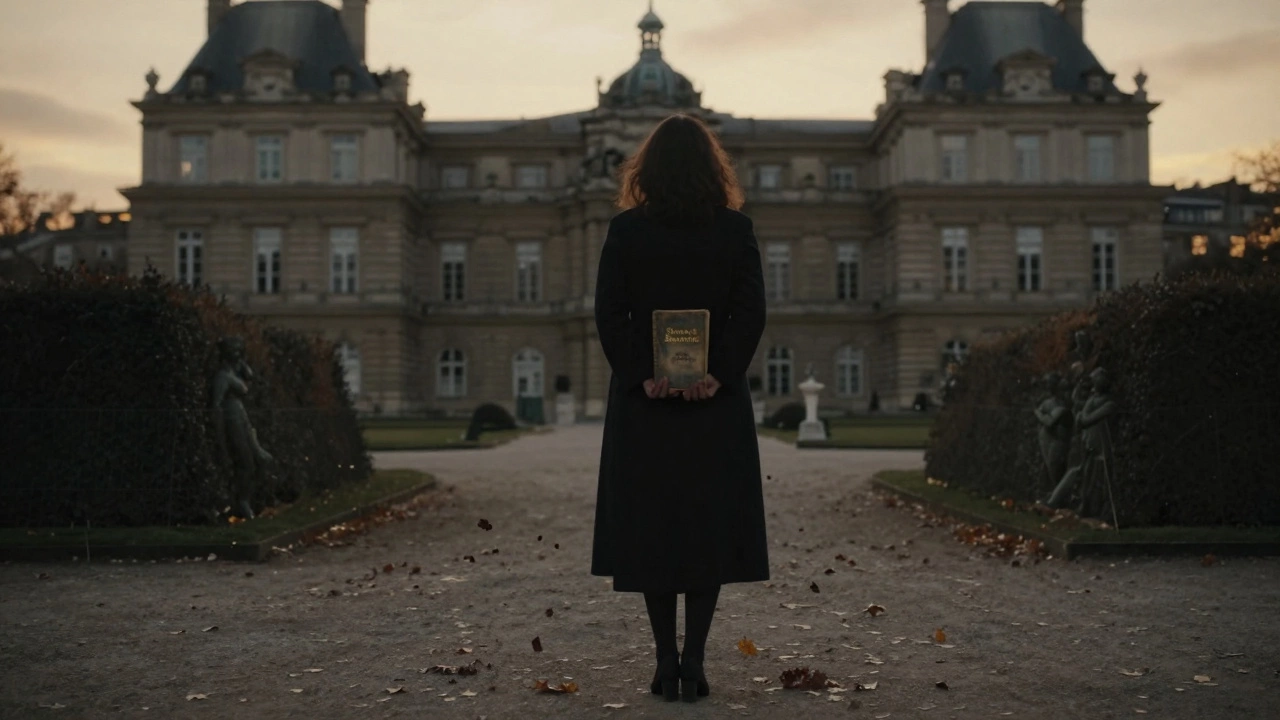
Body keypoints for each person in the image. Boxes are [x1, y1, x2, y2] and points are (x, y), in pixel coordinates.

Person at [591, 114, 769, 704]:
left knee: (653, 532)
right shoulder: (735, 229)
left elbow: (609, 315)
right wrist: (717, 374)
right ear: (711, 169)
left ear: (648, 170)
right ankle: (695, 662)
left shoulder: (626, 231)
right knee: (708, 531)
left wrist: (644, 376)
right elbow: (750, 314)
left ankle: (665, 660)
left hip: (647, 410)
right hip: (713, 410)